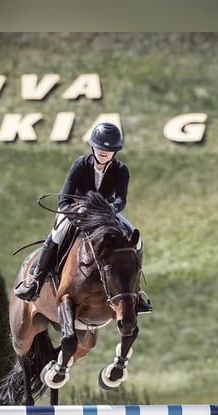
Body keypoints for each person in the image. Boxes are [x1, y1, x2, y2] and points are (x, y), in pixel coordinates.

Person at [14, 122, 153, 313]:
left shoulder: (121, 170)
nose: (104, 151)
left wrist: (111, 209)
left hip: (106, 213)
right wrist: (72, 216)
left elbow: (121, 199)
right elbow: (64, 197)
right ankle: (36, 281)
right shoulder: (80, 164)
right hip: (77, 210)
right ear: (93, 146)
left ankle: (136, 291)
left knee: (136, 241)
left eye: (109, 149)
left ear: (115, 151)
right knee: (57, 234)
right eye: (100, 147)